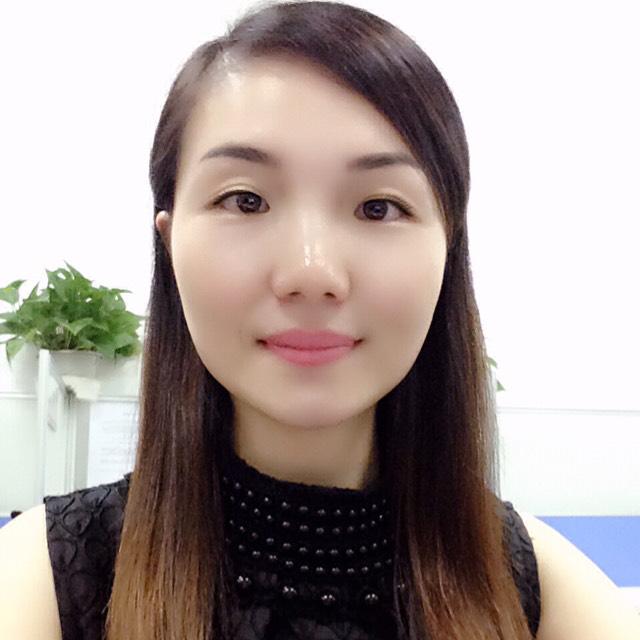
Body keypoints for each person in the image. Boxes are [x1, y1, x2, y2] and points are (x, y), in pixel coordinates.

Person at [1, 1, 639, 639]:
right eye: (246, 200)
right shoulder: (43, 582)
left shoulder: (542, 592)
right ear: (170, 245)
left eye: (378, 208)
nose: (311, 272)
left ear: (448, 247)